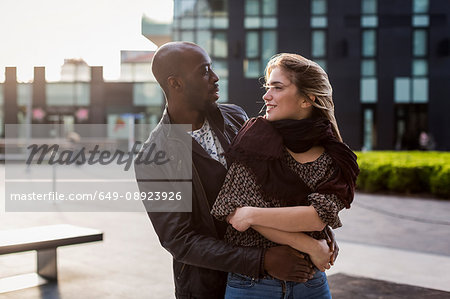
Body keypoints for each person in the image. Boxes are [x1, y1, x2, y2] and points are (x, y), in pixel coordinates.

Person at [134, 42, 338, 299]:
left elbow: (280, 182)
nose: (215, 77)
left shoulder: (237, 117)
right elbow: (180, 240)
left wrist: (313, 234)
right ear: (175, 83)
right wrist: (262, 259)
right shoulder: (152, 157)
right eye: (204, 71)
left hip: (287, 276)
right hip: (212, 287)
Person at [211, 53, 359, 298]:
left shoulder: (336, 155)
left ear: (307, 99)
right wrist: (311, 246)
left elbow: (316, 218)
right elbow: (232, 211)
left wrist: (251, 213)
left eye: (277, 88)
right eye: (268, 87)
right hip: (252, 285)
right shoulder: (254, 138)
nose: (266, 96)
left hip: (311, 285)